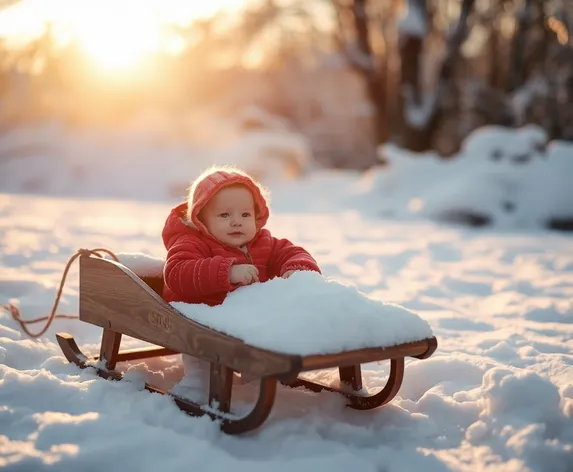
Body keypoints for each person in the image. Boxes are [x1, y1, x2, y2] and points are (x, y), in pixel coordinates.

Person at [161, 166, 321, 402]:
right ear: (201, 219)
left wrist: (298, 269)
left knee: (257, 349)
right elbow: (176, 272)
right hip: (202, 318)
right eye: (225, 215)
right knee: (202, 358)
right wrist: (227, 272)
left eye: (245, 215)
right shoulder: (192, 243)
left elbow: (293, 252)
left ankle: (255, 376)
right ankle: (197, 383)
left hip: (248, 321)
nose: (237, 222)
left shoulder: (263, 241)